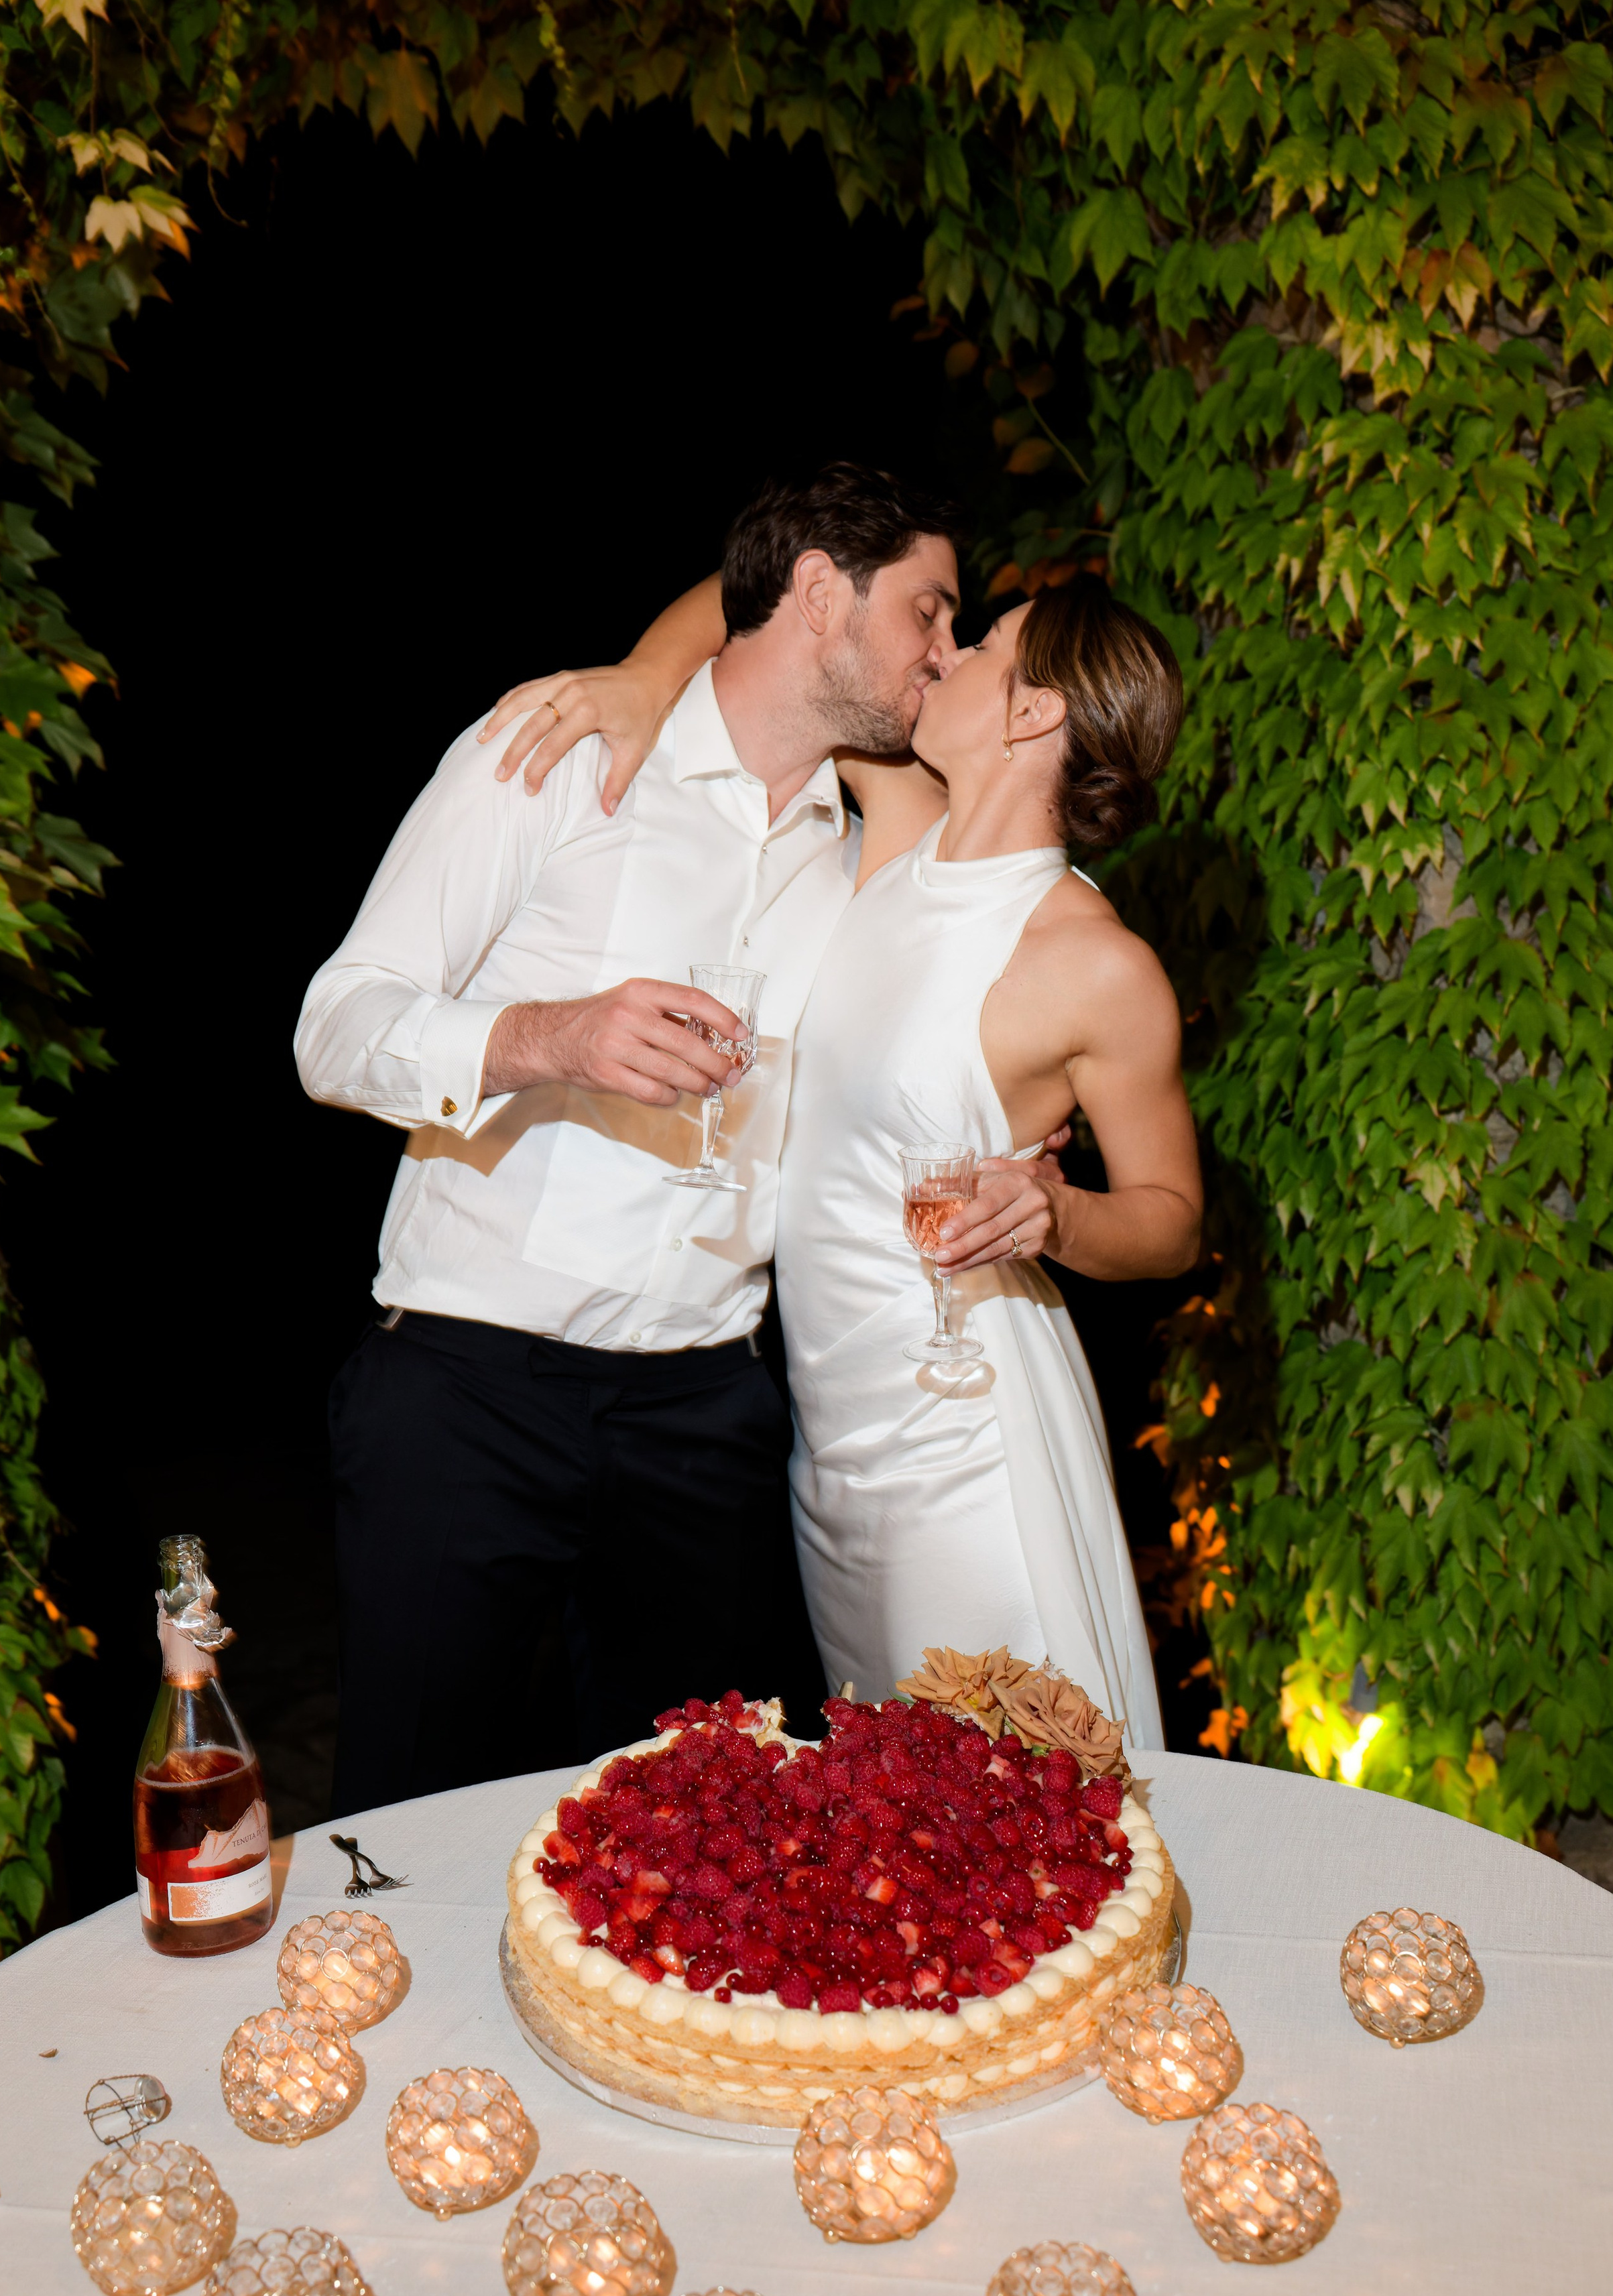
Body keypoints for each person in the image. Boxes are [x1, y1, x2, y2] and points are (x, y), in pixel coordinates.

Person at [294, 465, 963, 1811]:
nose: (942, 656)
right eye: (929, 614)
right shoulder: (554, 754)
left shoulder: (863, 850)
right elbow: (334, 1030)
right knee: (415, 1812)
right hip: (467, 1390)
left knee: (695, 1841)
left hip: (708, 1411)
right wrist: (545, 1038)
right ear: (822, 595)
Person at [487, 577, 1202, 1746]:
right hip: (827, 1444)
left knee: (1002, 1829)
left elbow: (1172, 1218)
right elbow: (762, 599)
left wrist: (1053, 1214)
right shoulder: (904, 829)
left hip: (964, 1447)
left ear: (1033, 714)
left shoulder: (1092, 961)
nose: (945, 656)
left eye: (983, 645)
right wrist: (639, 679)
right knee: (884, 1829)